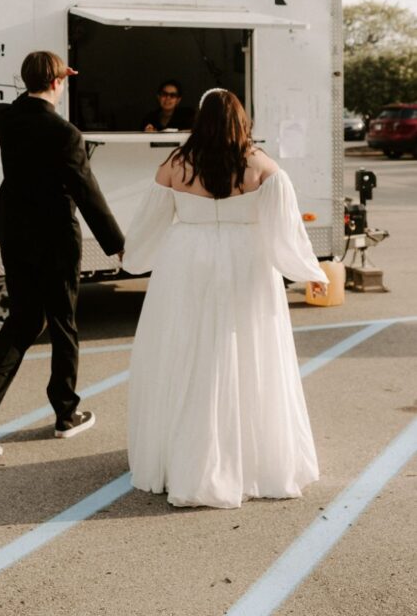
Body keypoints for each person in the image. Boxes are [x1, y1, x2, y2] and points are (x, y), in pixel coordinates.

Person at [124, 88, 328, 509]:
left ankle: (184, 456)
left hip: (186, 265)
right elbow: (286, 233)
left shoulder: (175, 165)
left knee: (187, 354)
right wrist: (312, 272)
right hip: (245, 264)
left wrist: (131, 256)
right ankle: (253, 457)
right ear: (241, 120)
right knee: (248, 354)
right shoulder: (263, 167)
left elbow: (147, 226)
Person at [0, 50, 125, 457]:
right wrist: (117, 243)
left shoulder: (5, 118)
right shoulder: (65, 134)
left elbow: (15, 105)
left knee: (25, 318)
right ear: (57, 83)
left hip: (14, 234)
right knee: (63, 322)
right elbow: (87, 193)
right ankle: (66, 414)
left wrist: (42, 79)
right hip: (54, 238)